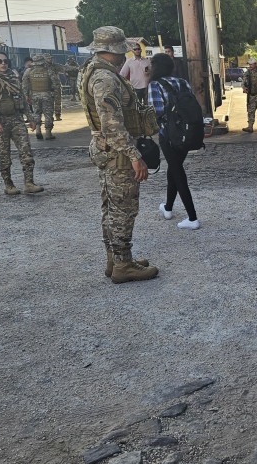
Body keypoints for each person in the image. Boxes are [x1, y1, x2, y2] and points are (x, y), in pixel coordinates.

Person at [81, 26, 158, 284]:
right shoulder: (104, 78)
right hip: (117, 152)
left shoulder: (96, 70)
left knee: (111, 206)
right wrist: (134, 156)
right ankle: (123, 265)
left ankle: (115, 260)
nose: (126, 53)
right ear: (113, 51)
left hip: (107, 149)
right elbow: (111, 123)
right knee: (123, 208)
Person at [0, 51, 44, 195]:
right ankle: (8, 184)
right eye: (0, 61)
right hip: (0, 122)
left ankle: (29, 183)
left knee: (26, 152)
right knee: (4, 155)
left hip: (16, 120)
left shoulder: (13, 78)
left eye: (5, 61)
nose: (3, 64)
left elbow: (22, 99)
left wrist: (30, 118)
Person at [147, 53, 200, 230]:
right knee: (174, 168)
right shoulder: (182, 82)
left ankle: (192, 218)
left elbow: (156, 112)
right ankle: (168, 208)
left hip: (168, 136)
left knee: (177, 173)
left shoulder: (155, 85)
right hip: (186, 133)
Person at [22, 54, 59, 140]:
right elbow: (56, 83)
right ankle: (48, 133)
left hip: (34, 95)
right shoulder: (48, 70)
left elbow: (24, 85)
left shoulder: (28, 71)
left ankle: (38, 130)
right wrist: (54, 93)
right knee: (48, 114)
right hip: (46, 95)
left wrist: (26, 95)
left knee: (37, 113)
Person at [43, 54, 64, 121]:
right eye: (48, 58)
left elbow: (64, 67)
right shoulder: (43, 67)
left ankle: (58, 115)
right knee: (49, 103)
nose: (50, 60)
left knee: (58, 102)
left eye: (50, 58)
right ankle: (50, 116)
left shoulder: (55, 65)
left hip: (57, 87)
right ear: (45, 59)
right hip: (48, 88)